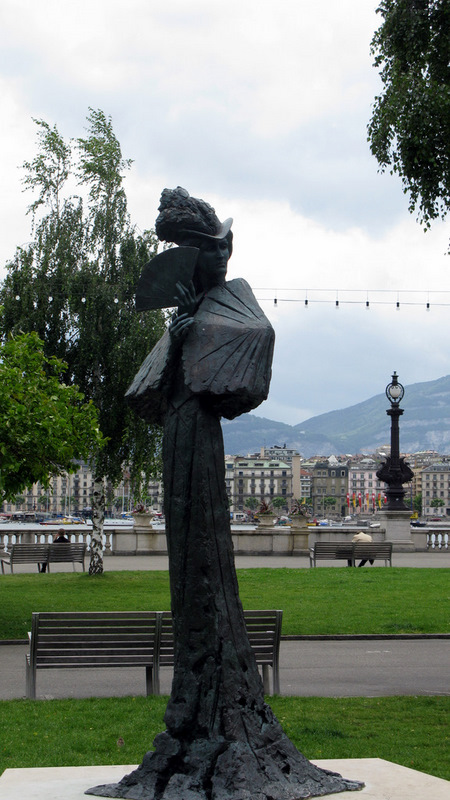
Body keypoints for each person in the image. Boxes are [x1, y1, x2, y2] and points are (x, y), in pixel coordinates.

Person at [87, 187, 362, 798]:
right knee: (188, 560)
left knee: (207, 558)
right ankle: (195, 709)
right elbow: (147, 394)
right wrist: (179, 335)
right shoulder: (186, 315)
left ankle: (219, 707)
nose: (212, 258)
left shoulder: (235, 301)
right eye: (199, 251)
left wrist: (196, 338)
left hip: (203, 442)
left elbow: (254, 348)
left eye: (213, 248)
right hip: (179, 436)